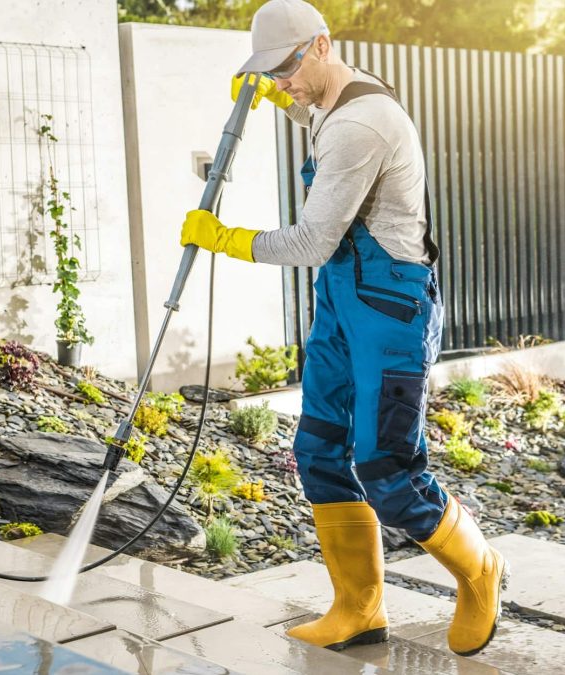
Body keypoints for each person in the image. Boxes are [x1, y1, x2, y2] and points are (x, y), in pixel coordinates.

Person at [179, 0, 508, 657]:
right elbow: (313, 107)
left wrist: (226, 239)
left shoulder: (362, 124)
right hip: (340, 304)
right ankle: (358, 606)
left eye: (286, 67)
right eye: (270, 72)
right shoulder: (332, 100)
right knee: (320, 449)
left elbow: (309, 239)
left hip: (391, 310)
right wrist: (277, 97)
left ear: (321, 45)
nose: (283, 81)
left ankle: (479, 570)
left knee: (386, 465)